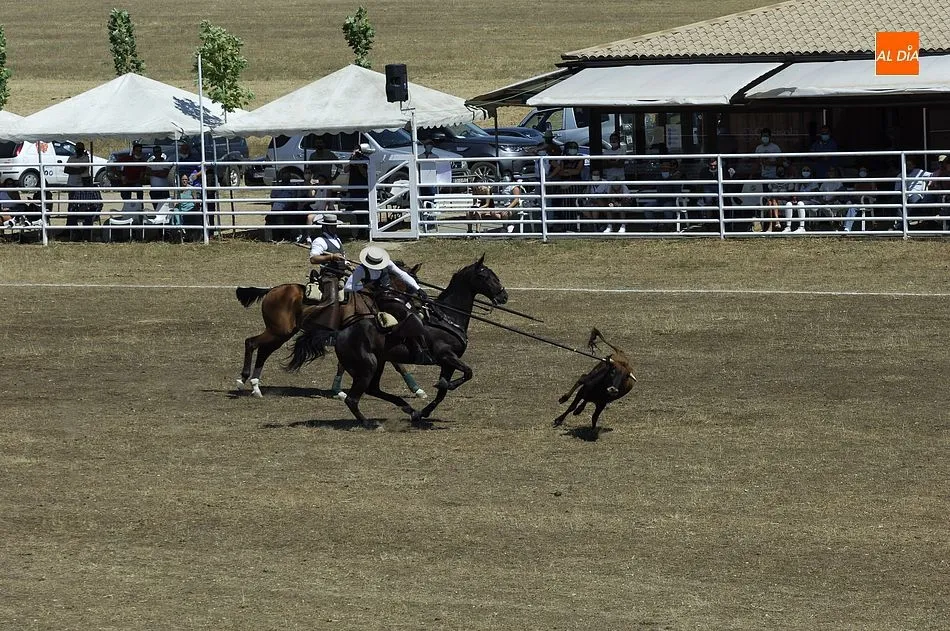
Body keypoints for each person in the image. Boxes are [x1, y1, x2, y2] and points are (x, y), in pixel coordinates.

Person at [344, 245, 431, 359]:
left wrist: (417, 288)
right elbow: (348, 286)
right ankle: (416, 347)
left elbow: (401, 274)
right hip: (380, 298)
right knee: (405, 313)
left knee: (415, 306)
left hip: (395, 294)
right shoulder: (361, 270)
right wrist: (364, 286)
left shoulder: (387, 263)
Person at [307, 213, 348, 316]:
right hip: (329, 275)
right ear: (325, 226)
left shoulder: (337, 239)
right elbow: (313, 259)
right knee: (332, 300)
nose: (334, 228)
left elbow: (342, 256)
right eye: (331, 226)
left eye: (335, 225)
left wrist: (347, 263)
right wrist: (330, 257)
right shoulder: (319, 241)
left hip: (342, 273)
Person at [64, 141, 102, 241]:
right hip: (71, 185)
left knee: (82, 206)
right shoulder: (71, 157)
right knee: (71, 207)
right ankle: (71, 231)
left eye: (80, 148)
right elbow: (66, 170)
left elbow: (82, 170)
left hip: (80, 184)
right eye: (77, 148)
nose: (78, 150)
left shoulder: (86, 158)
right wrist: (77, 170)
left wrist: (74, 170)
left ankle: (82, 234)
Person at [755, 128, 782, 214]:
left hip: (774, 177)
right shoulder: (758, 148)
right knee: (765, 198)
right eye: (763, 136)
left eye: (766, 136)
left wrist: (770, 162)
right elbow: (756, 163)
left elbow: (781, 161)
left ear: (770, 137)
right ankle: (766, 217)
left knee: (773, 198)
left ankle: (775, 219)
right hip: (763, 176)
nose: (764, 138)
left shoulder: (775, 147)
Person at [842, 166, 876, 232]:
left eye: (864, 171)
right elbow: (855, 192)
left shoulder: (871, 182)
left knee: (852, 208)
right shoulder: (857, 182)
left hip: (867, 201)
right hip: (858, 201)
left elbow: (874, 194)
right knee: (849, 206)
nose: (862, 173)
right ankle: (845, 227)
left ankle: (847, 227)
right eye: (861, 171)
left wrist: (865, 196)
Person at [146, 145, 172, 212]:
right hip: (154, 189)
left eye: (158, 152)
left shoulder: (166, 162)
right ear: (154, 153)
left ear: (161, 152)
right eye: (155, 152)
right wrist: (160, 172)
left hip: (164, 189)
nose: (157, 153)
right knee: (156, 207)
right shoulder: (150, 163)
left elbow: (164, 174)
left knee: (165, 207)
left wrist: (153, 172)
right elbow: (148, 172)